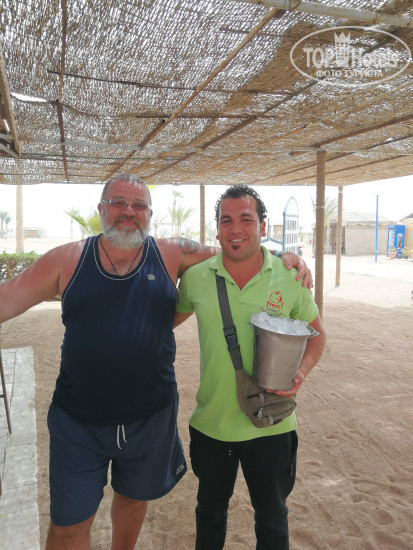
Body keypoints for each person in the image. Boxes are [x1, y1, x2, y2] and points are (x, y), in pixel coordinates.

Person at [0, 174, 312, 550]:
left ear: (150, 214)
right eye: (118, 202)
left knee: (134, 501)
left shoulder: (171, 253)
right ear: (100, 209)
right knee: (69, 524)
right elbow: (7, 298)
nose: (128, 212)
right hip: (78, 419)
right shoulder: (68, 258)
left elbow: (236, 248)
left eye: (139, 205)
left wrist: (283, 257)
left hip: (150, 417)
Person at [174, 185, 326, 550]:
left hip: (272, 422)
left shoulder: (290, 277)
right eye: (226, 220)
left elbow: (317, 335)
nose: (236, 228)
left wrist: (300, 374)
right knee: (209, 515)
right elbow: (162, 324)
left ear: (262, 226)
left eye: (246, 219)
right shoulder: (196, 278)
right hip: (212, 424)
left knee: (272, 518)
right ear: (217, 229)